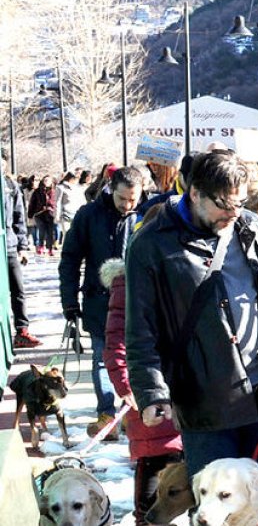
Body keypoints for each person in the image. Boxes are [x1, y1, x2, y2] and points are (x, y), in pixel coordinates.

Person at [125, 149, 258, 477]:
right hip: (205, 402)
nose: (234, 213)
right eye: (225, 204)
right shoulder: (151, 244)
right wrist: (151, 391)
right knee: (218, 499)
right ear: (195, 193)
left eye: (240, 203)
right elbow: (140, 328)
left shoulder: (252, 225)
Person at [101, 228, 184, 526]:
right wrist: (128, 387)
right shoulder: (128, 284)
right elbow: (116, 343)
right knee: (152, 486)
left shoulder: (182, 272)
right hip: (149, 393)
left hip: (187, 395)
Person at [60, 166, 144, 438]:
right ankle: (107, 415)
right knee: (102, 358)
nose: (127, 205)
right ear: (111, 189)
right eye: (122, 199)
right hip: (99, 300)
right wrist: (69, 301)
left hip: (139, 301)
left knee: (136, 358)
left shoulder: (146, 215)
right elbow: (70, 259)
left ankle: (130, 413)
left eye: (133, 199)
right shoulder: (88, 215)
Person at [4, 158, 37, 348]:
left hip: (9, 245)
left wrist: (22, 247)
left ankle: (22, 331)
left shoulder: (10, 186)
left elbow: (19, 217)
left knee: (18, 290)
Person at [29, 175, 57, 256]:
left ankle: (50, 248)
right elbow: (32, 203)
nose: (47, 182)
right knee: (42, 230)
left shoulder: (53, 191)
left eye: (48, 180)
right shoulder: (37, 191)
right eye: (45, 180)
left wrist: (50, 207)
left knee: (50, 232)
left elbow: (55, 202)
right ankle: (41, 246)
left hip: (50, 214)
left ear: (51, 182)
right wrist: (30, 214)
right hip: (39, 214)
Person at [55, 171, 85, 244]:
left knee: (76, 235)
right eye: (76, 178)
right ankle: (65, 249)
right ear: (71, 178)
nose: (78, 180)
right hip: (65, 214)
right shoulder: (60, 188)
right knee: (67, 234)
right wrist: (57, 215)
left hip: (75, 214)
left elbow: (80, 201)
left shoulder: (77, 188)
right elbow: (58, 202)